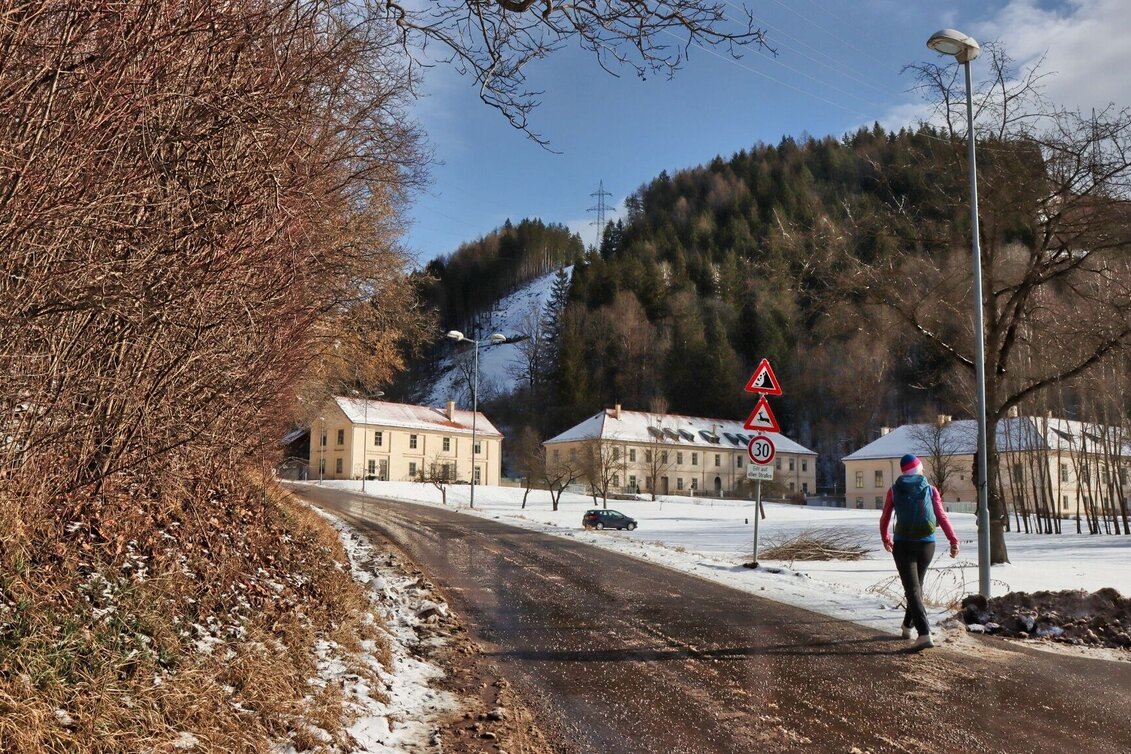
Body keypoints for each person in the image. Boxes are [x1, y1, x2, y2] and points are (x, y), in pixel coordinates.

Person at [879, 453, 959, 650]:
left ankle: (924, 633)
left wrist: (886, 538)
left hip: (904, 544)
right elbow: (941, 516)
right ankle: (907, 626)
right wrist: (953, 540)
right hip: (927, 545)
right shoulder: (930, 490)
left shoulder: (894, 490)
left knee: (913, 588)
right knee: (916, 587)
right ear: (919, 469)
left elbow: (885, 517)